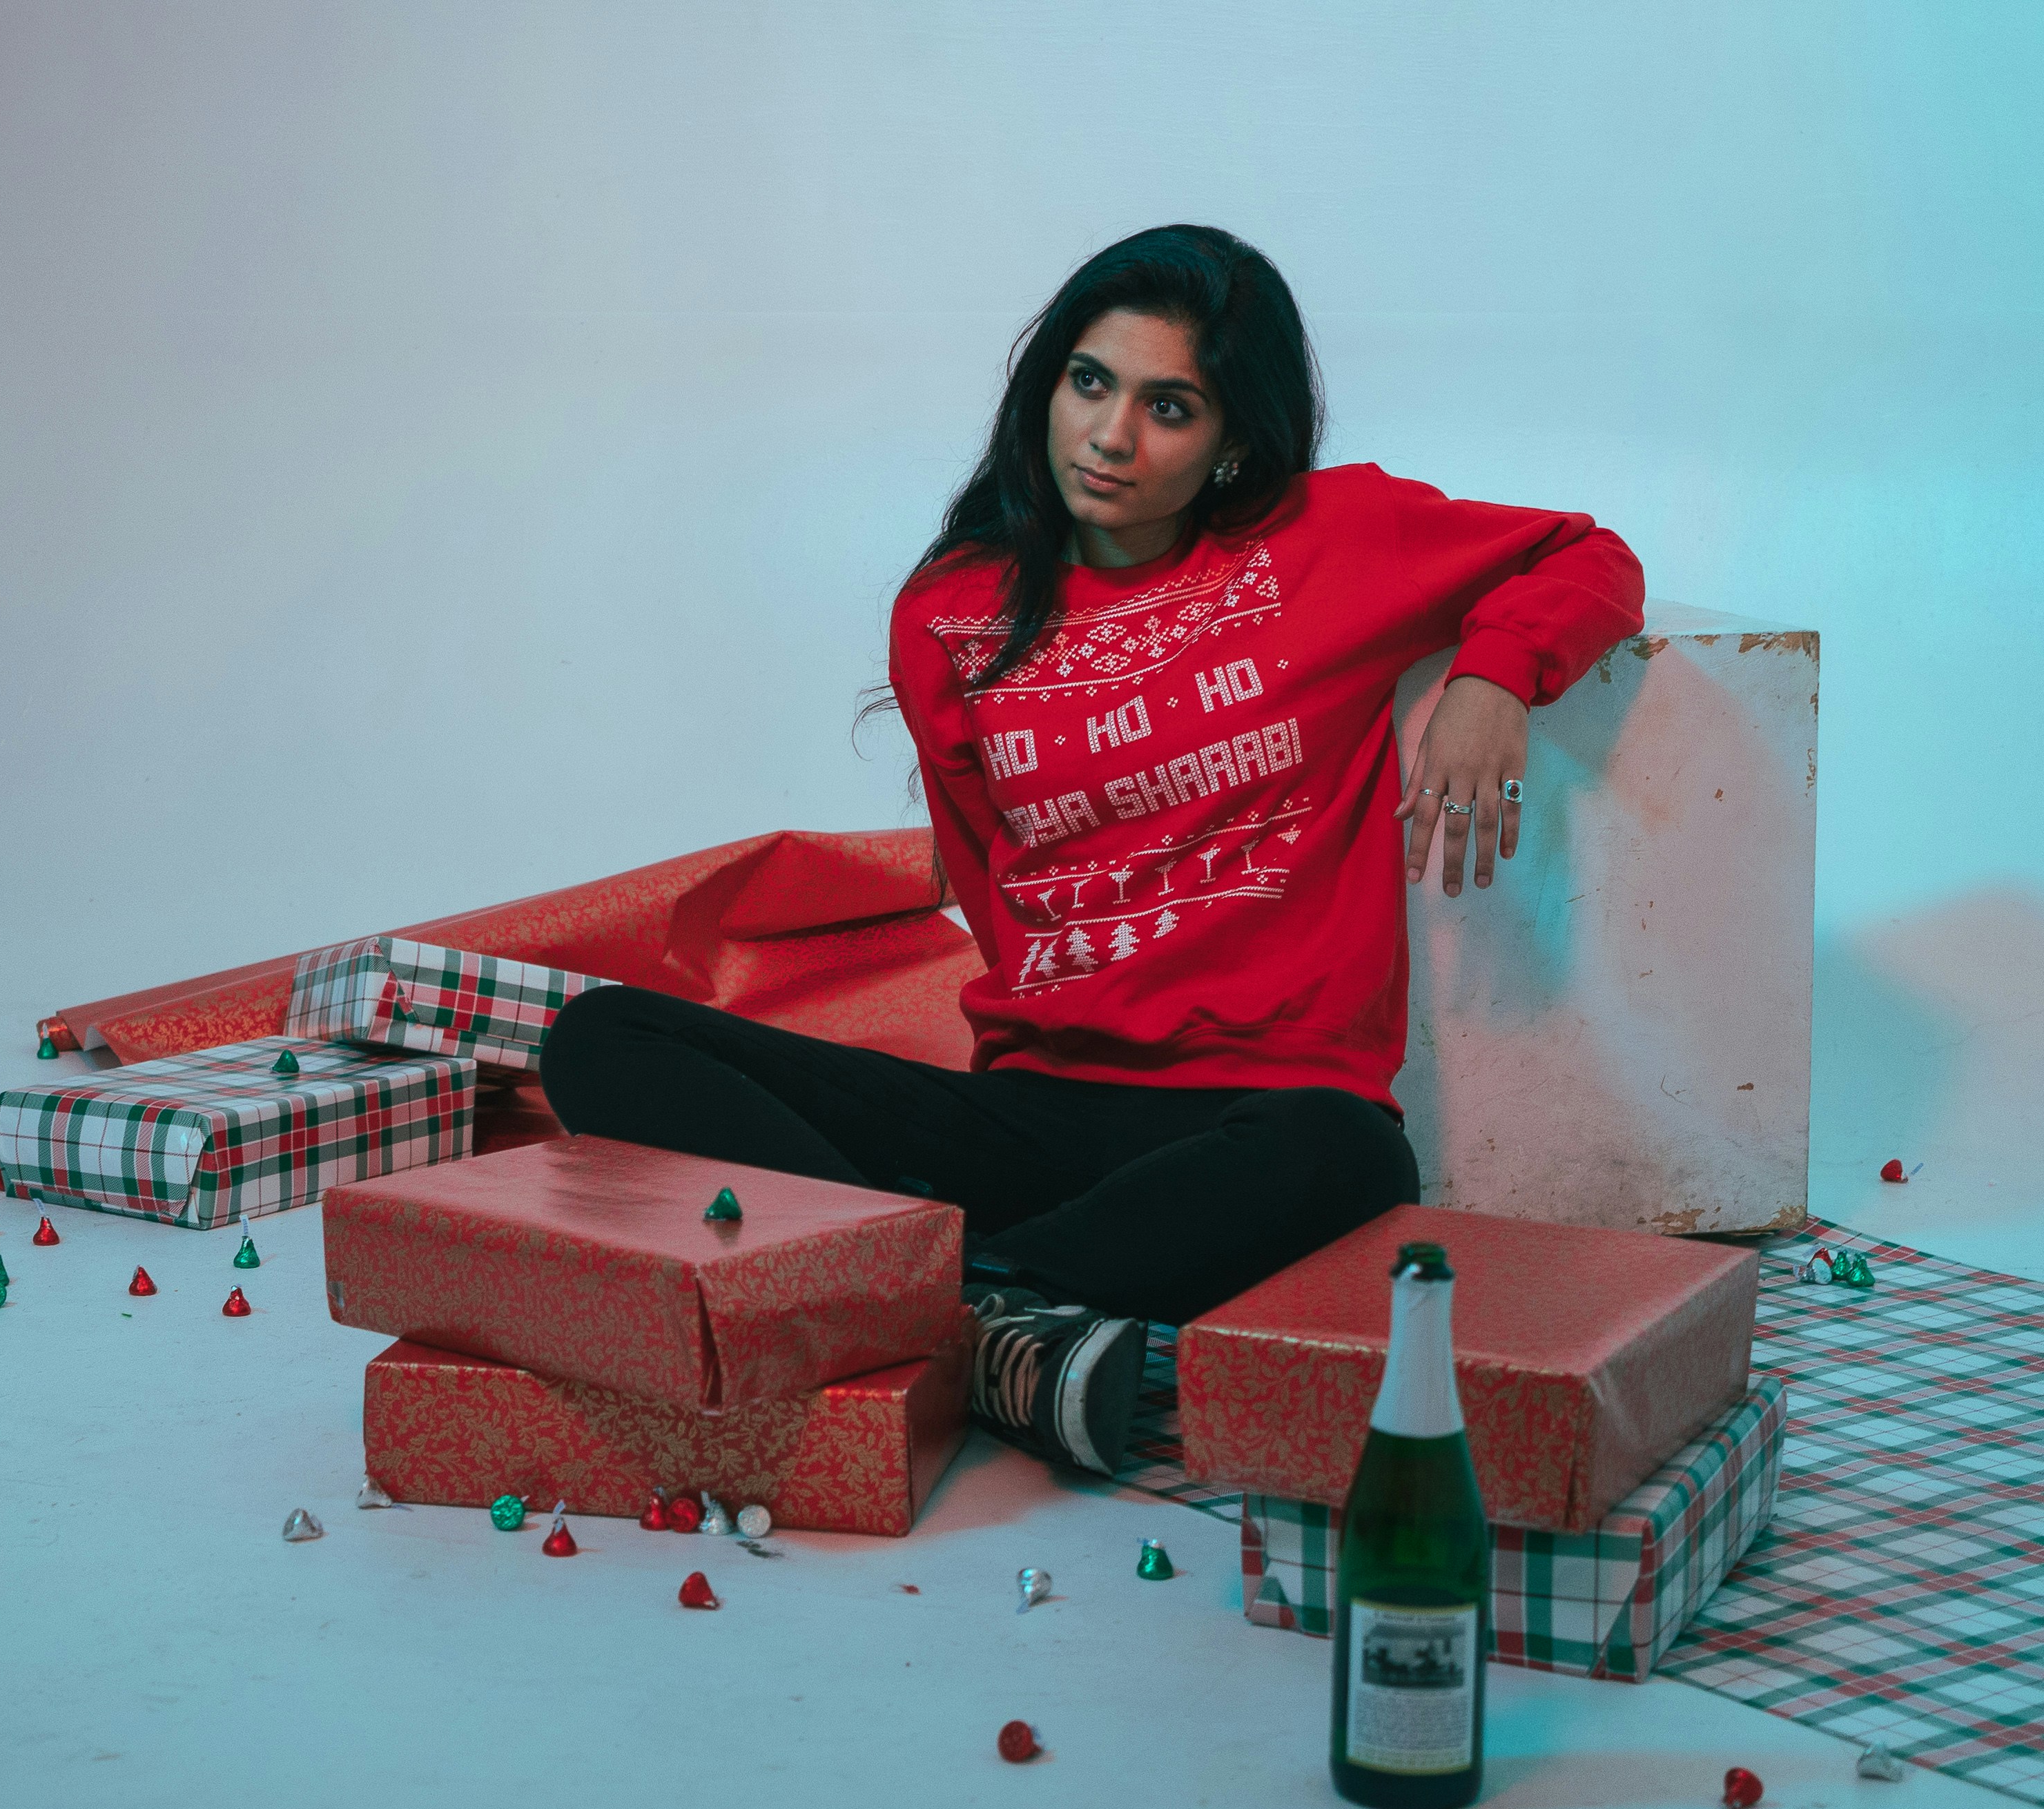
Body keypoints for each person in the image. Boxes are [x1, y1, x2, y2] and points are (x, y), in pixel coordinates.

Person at [540, 225, 1643, 1476]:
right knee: (604, 1037)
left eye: (1169, 407)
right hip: (1031, 1114)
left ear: (1233, 439)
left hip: (1250, 1121)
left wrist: (1495, 676)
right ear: (1047, 384)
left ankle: (925, 1302)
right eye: (1090, 382)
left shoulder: (1333, 538)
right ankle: (997, 1311)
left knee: (1354, 1156)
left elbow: (1589, 553)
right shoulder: (953, 608)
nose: (1111, 436)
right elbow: (992, 886)